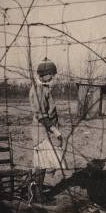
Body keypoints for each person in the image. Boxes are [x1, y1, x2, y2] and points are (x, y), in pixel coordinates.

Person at [29, 58, 66, 203]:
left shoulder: (44, 88)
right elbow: (40, 114)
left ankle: (35, 190)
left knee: (44, 162)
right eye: (51, 74)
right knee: (42, 163)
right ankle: (38, 195)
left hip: (47, 130)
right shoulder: (38, 90)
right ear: (43, 74)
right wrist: (54, 130)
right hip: (42, 130)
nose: (53, 77)